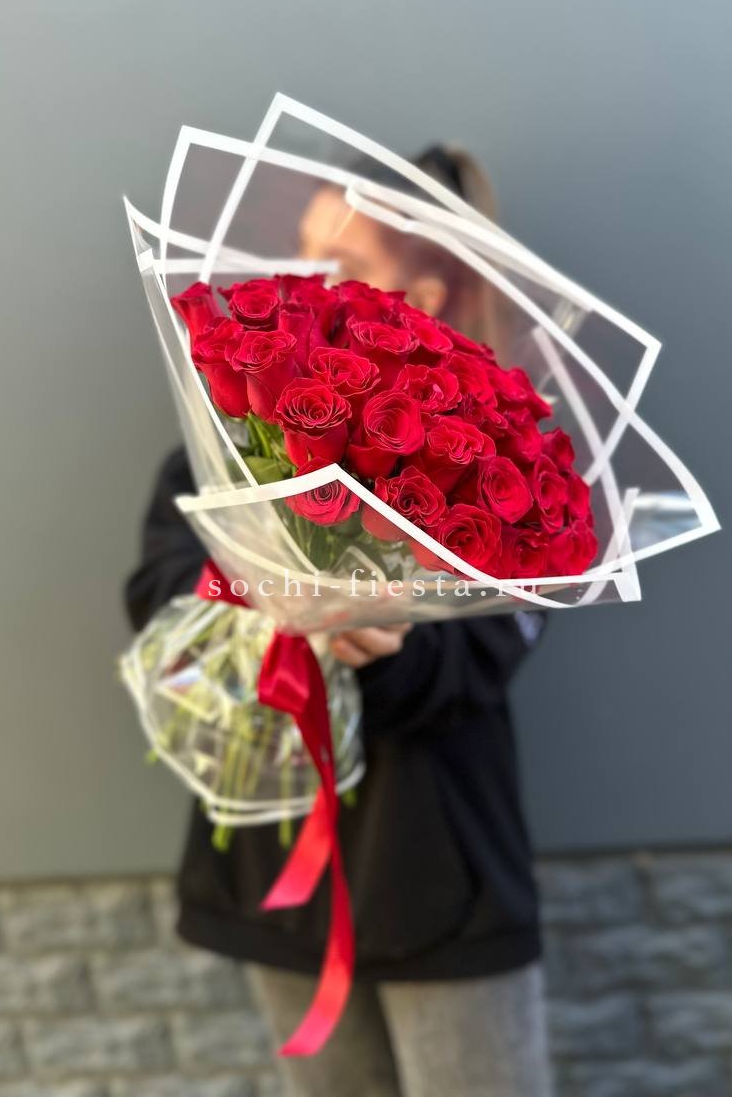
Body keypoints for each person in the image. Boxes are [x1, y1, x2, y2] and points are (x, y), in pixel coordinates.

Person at [124, 146, 556, 1097]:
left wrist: (376, 645)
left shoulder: (495, 457)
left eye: (346, 263)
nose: (311, 279)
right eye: (304, 249)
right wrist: (251, 602)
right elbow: (158, 584)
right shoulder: (242, 429)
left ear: (427, 294)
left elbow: (476, 661)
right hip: (275, 865)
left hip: (435, 870)